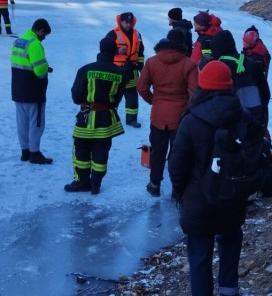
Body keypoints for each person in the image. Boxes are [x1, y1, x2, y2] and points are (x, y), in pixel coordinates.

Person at [168, 60, 251, 296]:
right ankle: (229, 293)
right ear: (229, 86)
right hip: (233, 194)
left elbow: (177, 164)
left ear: (202, 85)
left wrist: (181, 193)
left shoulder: (191, 119)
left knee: (200, 254)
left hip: (199, 199)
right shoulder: (244, 116)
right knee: (231, 239)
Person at [137, 29, 198, 197]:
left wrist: (154, 100)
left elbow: (141, 87)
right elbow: (194, 92)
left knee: (157, 150)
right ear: (183, 44)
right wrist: (187, 109)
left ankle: (154, 183)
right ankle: (177, 189)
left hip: (158, 114)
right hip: (180, 116)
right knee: (179, 153)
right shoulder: (189, 64)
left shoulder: (151, 62)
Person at [65, 37, 126, 195]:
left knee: (81, 151)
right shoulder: (120, 72)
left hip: (86, 118)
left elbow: (76, 97)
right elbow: (118, 98)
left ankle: (82, 182)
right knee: (102, 151)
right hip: (107, 119)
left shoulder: (85, 70)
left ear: (100, 49)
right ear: (114, 51)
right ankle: (96, 184)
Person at [11, 18, 53, 165]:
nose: (44, 38)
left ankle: (25, 151)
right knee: (36, 123)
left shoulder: (19, 41)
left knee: (22, 122)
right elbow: (40, 69)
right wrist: (44, 71)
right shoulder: (34, 44)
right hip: (33, 92)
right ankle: (35, 153)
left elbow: (22, 63)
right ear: (40, 30)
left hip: (18, 89)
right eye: (45, 34)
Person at [210, 29, 270, 126]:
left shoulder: (218, 68)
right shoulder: (252, 64)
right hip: (256, 122)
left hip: (230, 126)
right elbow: (265, 93)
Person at [104, 12, 144, 128]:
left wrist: (141, 67)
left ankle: (132, 119)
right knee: (112, 94)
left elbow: (140, 52)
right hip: (116, 69)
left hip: (132, 69)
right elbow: (105, 50)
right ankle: (109, 118)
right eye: (125, 22)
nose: (128, 25)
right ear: (120, 22)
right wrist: (117, 51)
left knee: (132, 96)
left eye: (130, 22)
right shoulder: (112, 34)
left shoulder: (137, 34)